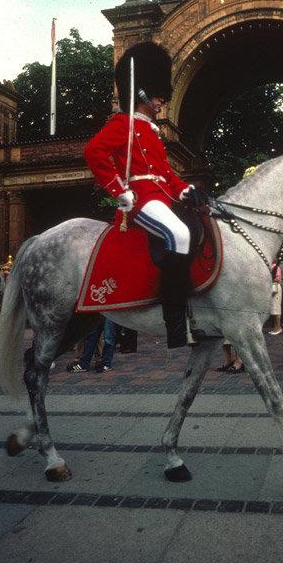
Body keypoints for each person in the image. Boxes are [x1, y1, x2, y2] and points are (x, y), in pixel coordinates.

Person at [84, 41, 207, 349]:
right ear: (142, 94)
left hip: (162, 195)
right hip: (141, 198)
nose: (162, 103)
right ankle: (176, 324)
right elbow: (94, 151)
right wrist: (118, 190)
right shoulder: (121, 124)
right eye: (158, 97)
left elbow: (166, 173)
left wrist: (185, 188)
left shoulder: (152, 131)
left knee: (199, 224)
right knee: (178, 234)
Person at [268, 259, 283, 335]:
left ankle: (278, 328)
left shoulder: (276, 267)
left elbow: (278, 279)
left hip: (275, 287)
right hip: (273, 287)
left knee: (276, 308)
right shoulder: (272, 266)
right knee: (274, 308)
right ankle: (275, 328)